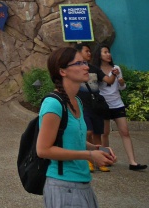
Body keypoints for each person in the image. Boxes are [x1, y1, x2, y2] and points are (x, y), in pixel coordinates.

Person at [36, 46, 115, 206]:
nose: (86, 67)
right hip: (64, 186)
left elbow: (68, 137)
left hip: (82, 183)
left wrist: (95, 148)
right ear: (63, 71)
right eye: (79, 63)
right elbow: (43, 150)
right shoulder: (53, 104)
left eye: (85, 62)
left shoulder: (76, 101)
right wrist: (89, 156)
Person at [94, 43, 146, 171]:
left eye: (109, 52)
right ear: (99, 55)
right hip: (104, 105)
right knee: (105, 134)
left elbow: (122, 87)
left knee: (125, 132)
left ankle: (132, 162)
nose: (108, 54)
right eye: (105, 52)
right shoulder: (96, 70)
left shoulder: (116, 68)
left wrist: (121, 82)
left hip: (117, 104)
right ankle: (106, 159)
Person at [76, 44, 108, 173]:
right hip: (84, 107)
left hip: (96, 106)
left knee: (97, 135)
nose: (89, 53)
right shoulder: (76, 69)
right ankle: (88, 159)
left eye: (90, 51)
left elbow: (108, 80)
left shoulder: (94, 69)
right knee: (88, 132)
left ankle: (100, 160)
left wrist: (115, 74)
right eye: (86, 51)